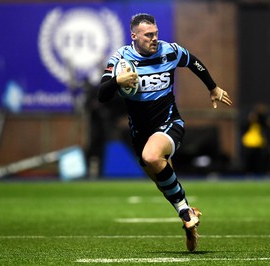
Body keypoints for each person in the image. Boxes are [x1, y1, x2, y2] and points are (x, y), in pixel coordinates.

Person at [98, 13, 232, 252]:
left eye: (156, 33)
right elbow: (102, 95)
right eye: (148, 35)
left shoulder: (170, 51)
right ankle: (189, 215)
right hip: (140, 132)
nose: (154, 39)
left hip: (171, 123)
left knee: (152, 157)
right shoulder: (121, 58)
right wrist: (118, 80)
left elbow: (193, 61)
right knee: (161, 179)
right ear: (134, 36)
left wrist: (213, 88)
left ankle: (184, 212)